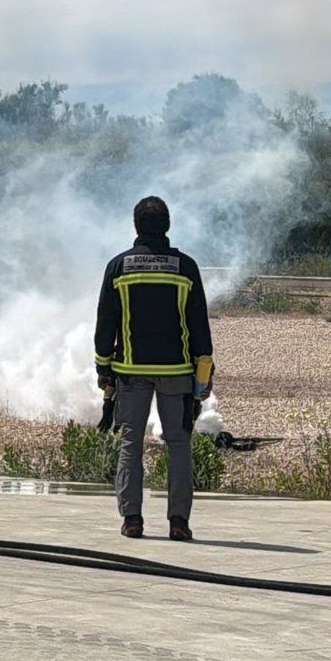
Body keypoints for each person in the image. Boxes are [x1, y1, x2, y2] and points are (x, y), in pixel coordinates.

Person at [94, 196, 214, 541]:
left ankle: (132, 520)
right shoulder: (186, 268)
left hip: (130, 372)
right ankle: (179, 523)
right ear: (168, 226)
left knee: (131, 442)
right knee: (178, 443)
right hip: (177, 372)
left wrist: (103, 368)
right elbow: (199, 328)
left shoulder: (119, 267)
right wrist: (202, 376)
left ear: (136, 227)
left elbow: (106, 325)